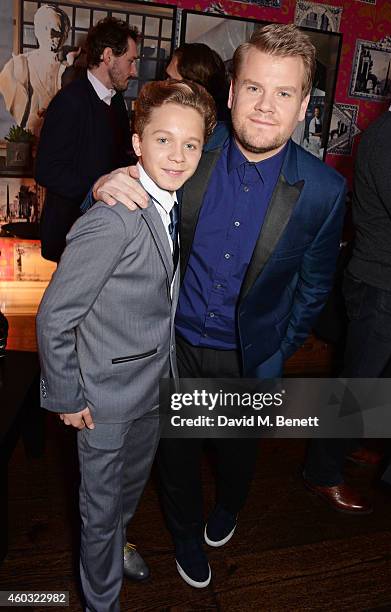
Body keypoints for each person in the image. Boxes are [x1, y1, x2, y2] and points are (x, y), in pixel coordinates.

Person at [91, 23, 346, 588]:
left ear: (304, 105)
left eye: (284, 93)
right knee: (176, 461)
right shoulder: (187, 155)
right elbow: (129, 194)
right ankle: (184, 535)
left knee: (236, 459)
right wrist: (104, 187)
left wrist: (277, 349)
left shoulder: (324, 192)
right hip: (174, 346)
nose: (264, 106)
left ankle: (228, 509)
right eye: (253, 88)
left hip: (249, 361)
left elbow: (314, 285)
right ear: (230, 92)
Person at [36, 79, 216, 612]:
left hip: (151, 389)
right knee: (98, 509)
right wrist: (67, 396)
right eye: (163, 140)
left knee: (126, 496)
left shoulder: (167, 202)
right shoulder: (114, 218)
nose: (178, 155)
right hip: (103, 403)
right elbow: (54, 316)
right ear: (136, 143)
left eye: (191, 144)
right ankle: (101, 601)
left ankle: (114, 547)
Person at [304, 62, 391, 512]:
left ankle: (354, 442)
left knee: (387, 378)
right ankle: (321, 471)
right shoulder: (388, 137)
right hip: (382, 285)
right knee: (357, 383)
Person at [35, 16, 138, 263]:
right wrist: (96, 187)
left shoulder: (116, 102)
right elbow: (46, 171)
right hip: (70, 236)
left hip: (101, 231)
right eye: (130, 61)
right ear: (108, 56)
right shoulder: (69, 102)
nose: (134, 71)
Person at [0, 4, 74, 136]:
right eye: (45, 28)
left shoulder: (68, 70)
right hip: (29, 136)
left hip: (60, 137)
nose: (50, 35)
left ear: (63, 36)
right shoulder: (18, 65)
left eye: (56, 30)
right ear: (37, 30)